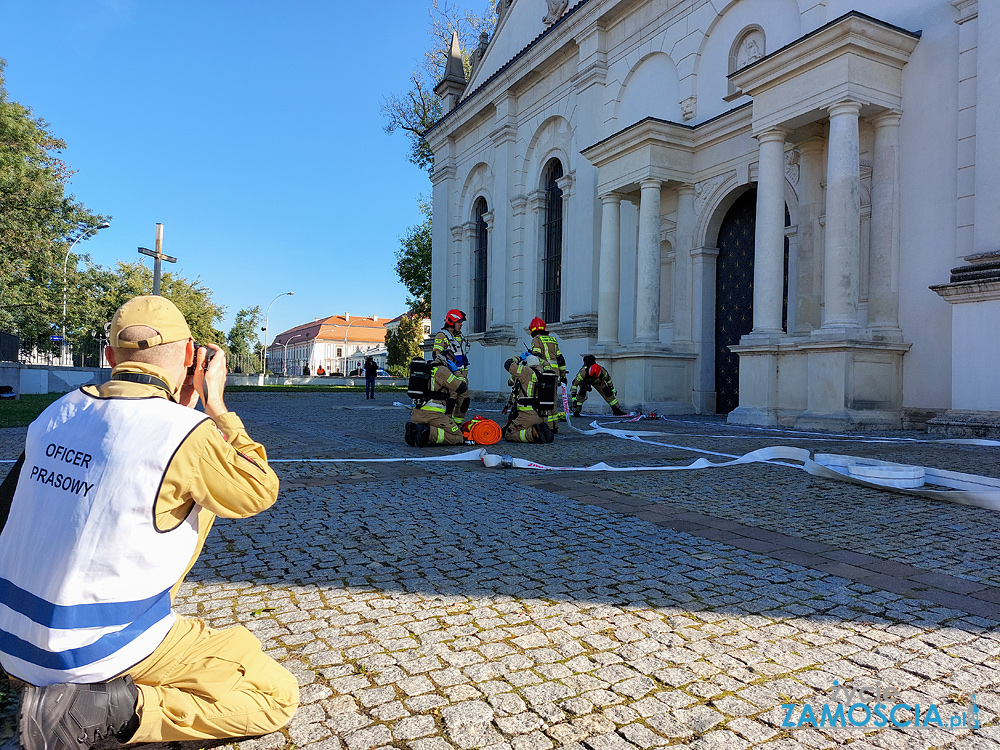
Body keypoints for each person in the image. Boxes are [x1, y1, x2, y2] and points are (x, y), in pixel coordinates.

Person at [0, 295, 298, 750]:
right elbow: (258, 489)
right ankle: (109, 710)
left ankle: (53, 689)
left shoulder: (53, 416)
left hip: (12, 640)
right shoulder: (185, 432)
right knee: (274, 694)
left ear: (108, 357)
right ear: (189, 356)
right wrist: (215, 406)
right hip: (92, 648)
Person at [404, 359, 469, 447]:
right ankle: (427, 432)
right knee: (457, 437)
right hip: (433, 415)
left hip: (417, 414)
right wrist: (457, 372)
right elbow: (462, 387)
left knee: (439, 429)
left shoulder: (427, 368)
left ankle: (414, 429)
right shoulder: (442, 371)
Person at [501, 356, 554, 443]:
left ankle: (532, 434)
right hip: (543, 415)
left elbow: (508, 364)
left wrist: (518, 358)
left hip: (528, 415)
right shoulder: (544, 372)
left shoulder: (526, 371)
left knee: (509, 433)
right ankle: (542, 430)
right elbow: (546, 363)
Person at [527, 317, 567, 431]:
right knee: (553, 399)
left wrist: (531, 355)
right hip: (555, 373)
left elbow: (537, 356)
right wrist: (563, 375)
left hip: (544, 372)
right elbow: (560, 358)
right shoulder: (553, 340)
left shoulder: (536, 339)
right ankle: (555, 426)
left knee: (544, 399)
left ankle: (548, 426)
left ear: (532, 330)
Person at [432, 309, 471, 426]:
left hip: (463, 376)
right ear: (451, 322)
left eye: (461, 322)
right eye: (459, 322)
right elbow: (436, 355)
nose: (461, 324)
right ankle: (446, 424)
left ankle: (457, 425)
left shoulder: (460, 336)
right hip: (451, 376)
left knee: (464, 401)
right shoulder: (442, 335)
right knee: (451, 401)